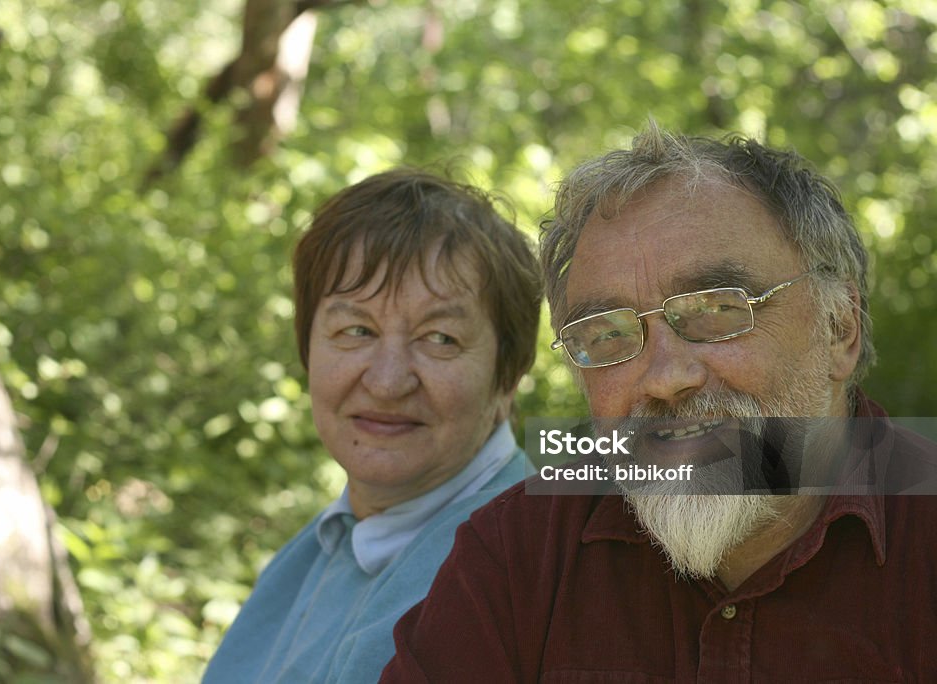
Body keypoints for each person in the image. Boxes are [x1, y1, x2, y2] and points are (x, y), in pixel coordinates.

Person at [381, 126, 937, 681]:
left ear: (839, 327)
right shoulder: (516, 556)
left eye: (718, 310)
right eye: (608, 335)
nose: (666, 378)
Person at [202, 169, 541, 682]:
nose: (387, 382)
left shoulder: (529, 569)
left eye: (440, 338)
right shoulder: (315, 550)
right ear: (308, 351)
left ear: (506, 378)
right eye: (356, 330)